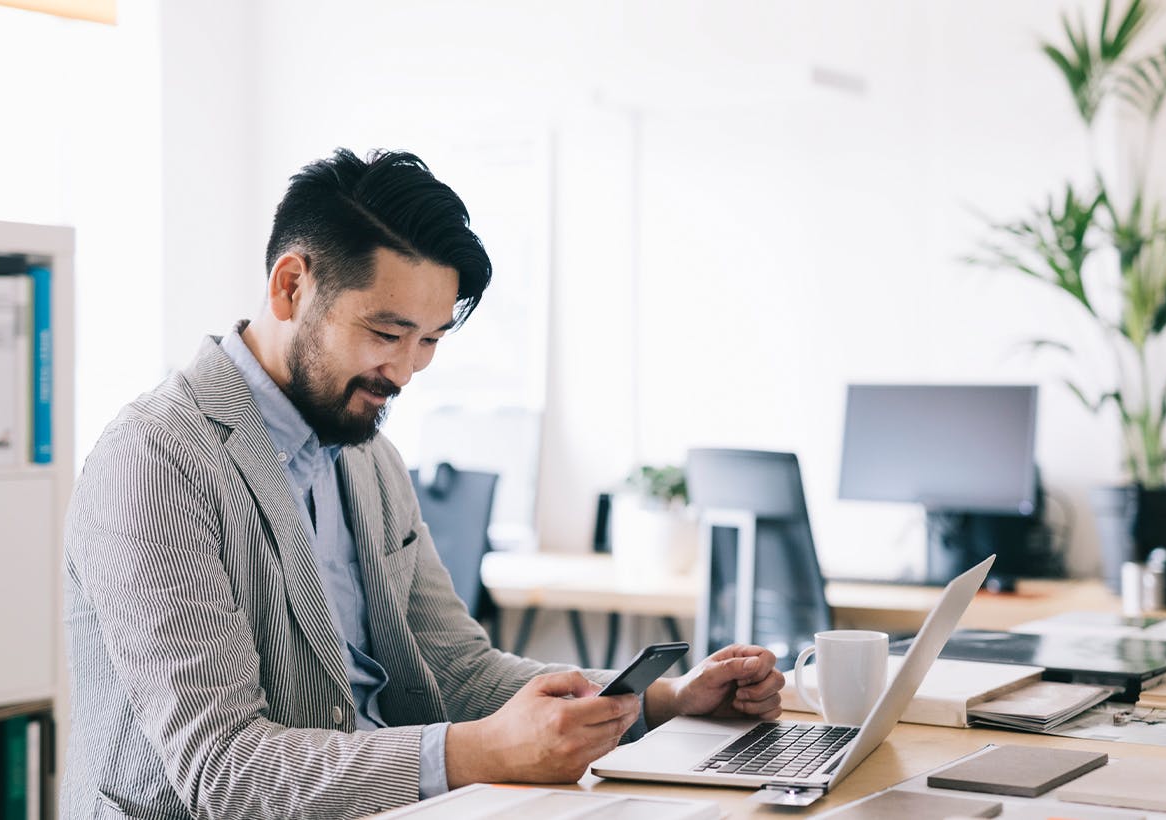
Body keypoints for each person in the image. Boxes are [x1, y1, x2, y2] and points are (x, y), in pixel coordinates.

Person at [62, 148, 785, 819]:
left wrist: (663, 701)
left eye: (431, 340)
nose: (406, 371)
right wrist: (480, 752)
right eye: (386, 333)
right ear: (291, 287)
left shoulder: (366, 455)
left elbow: (459, 669)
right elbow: (223, 769)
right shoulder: (156, 460)